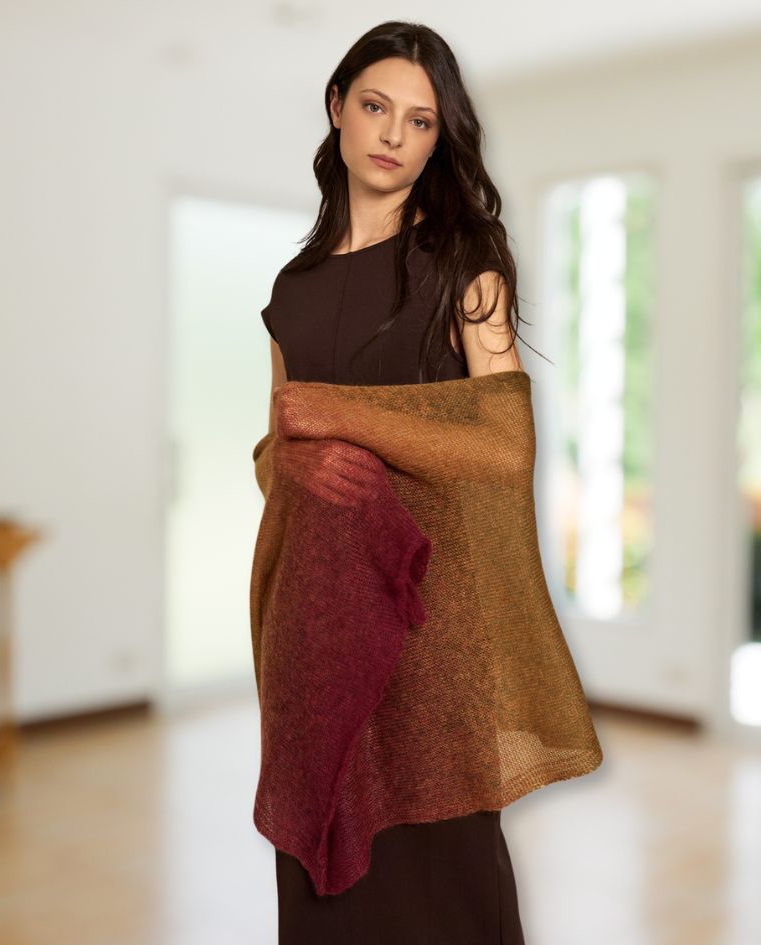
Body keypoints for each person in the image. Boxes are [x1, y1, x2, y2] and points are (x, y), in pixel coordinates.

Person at [258, 20, 531, 945]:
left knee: (447, 877)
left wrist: (340, 416)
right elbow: (274, 449)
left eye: (420, 121)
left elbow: (503, 445)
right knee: (325, 882)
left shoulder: (466, 260)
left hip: (433, 621)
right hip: (315, 628)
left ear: (437, 136)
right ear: (337, 109)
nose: (392, 136)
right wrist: (290, 455)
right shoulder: (290, 289)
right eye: (375, 107)